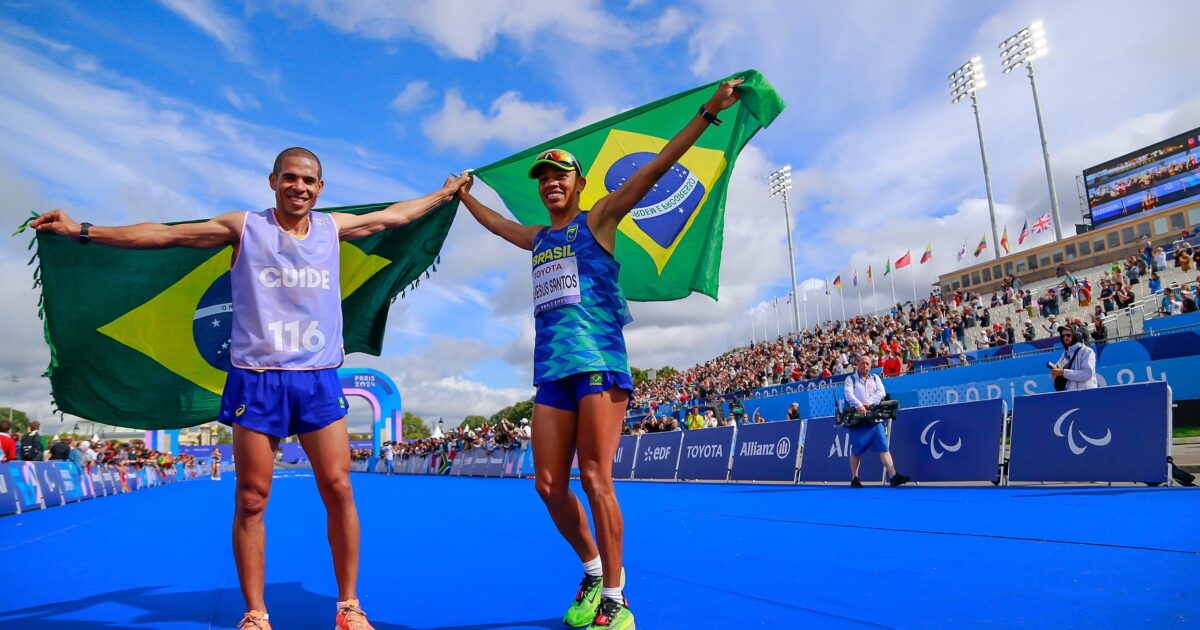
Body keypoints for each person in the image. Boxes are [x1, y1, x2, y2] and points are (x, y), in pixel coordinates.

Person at [32, 146, 466, 630]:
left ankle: (348, 607)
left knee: (340, 488)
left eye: (308, 180)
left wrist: (444, 194)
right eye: (290, 178)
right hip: (256, 381)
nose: (299, 186)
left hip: (317, 379)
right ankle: (256, 612)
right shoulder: (244, 227)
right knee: (252, 497)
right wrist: (82, 230)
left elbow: (392, 217)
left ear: (320, 188)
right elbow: (163, 234)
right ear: (273, 180)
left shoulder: (332, 227)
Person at [454, 78, 744, 630]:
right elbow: (496, 225)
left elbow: (655, 169)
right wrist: (462, 195)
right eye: (543, 180)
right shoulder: (537, 238)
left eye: (560, 175)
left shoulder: (600, 219)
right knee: (547, 484)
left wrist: (709, 112)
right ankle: (591, 572)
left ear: (580, 184)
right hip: (552, 376)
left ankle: (616, 596)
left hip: (599, 365)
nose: (550, 185)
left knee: (595, 477)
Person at [842, 355, 909, 488]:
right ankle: (854, 478)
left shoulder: (875, 378)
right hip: (858, 420)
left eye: (867, 364)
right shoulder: (850, 379)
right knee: (856, 450)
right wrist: (859, 405)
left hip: (874, 419)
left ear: (871, 366)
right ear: (857, 364)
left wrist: (868, 403)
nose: (865, 366)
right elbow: (848, 394)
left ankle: (893, 476)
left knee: (884, 447)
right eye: (862, 363)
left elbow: (881, 392)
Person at [1050, 325, 1098, 391]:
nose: (1065, 338)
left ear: (1076, 335)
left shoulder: (1087, 351)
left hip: (1087, 394)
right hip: (1071, 394)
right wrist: (1055, 373)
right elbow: (1059, 371)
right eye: (1063, 336)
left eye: (1068, 335)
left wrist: (1063, 372)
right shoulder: (1065, 353)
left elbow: (1087, 374)